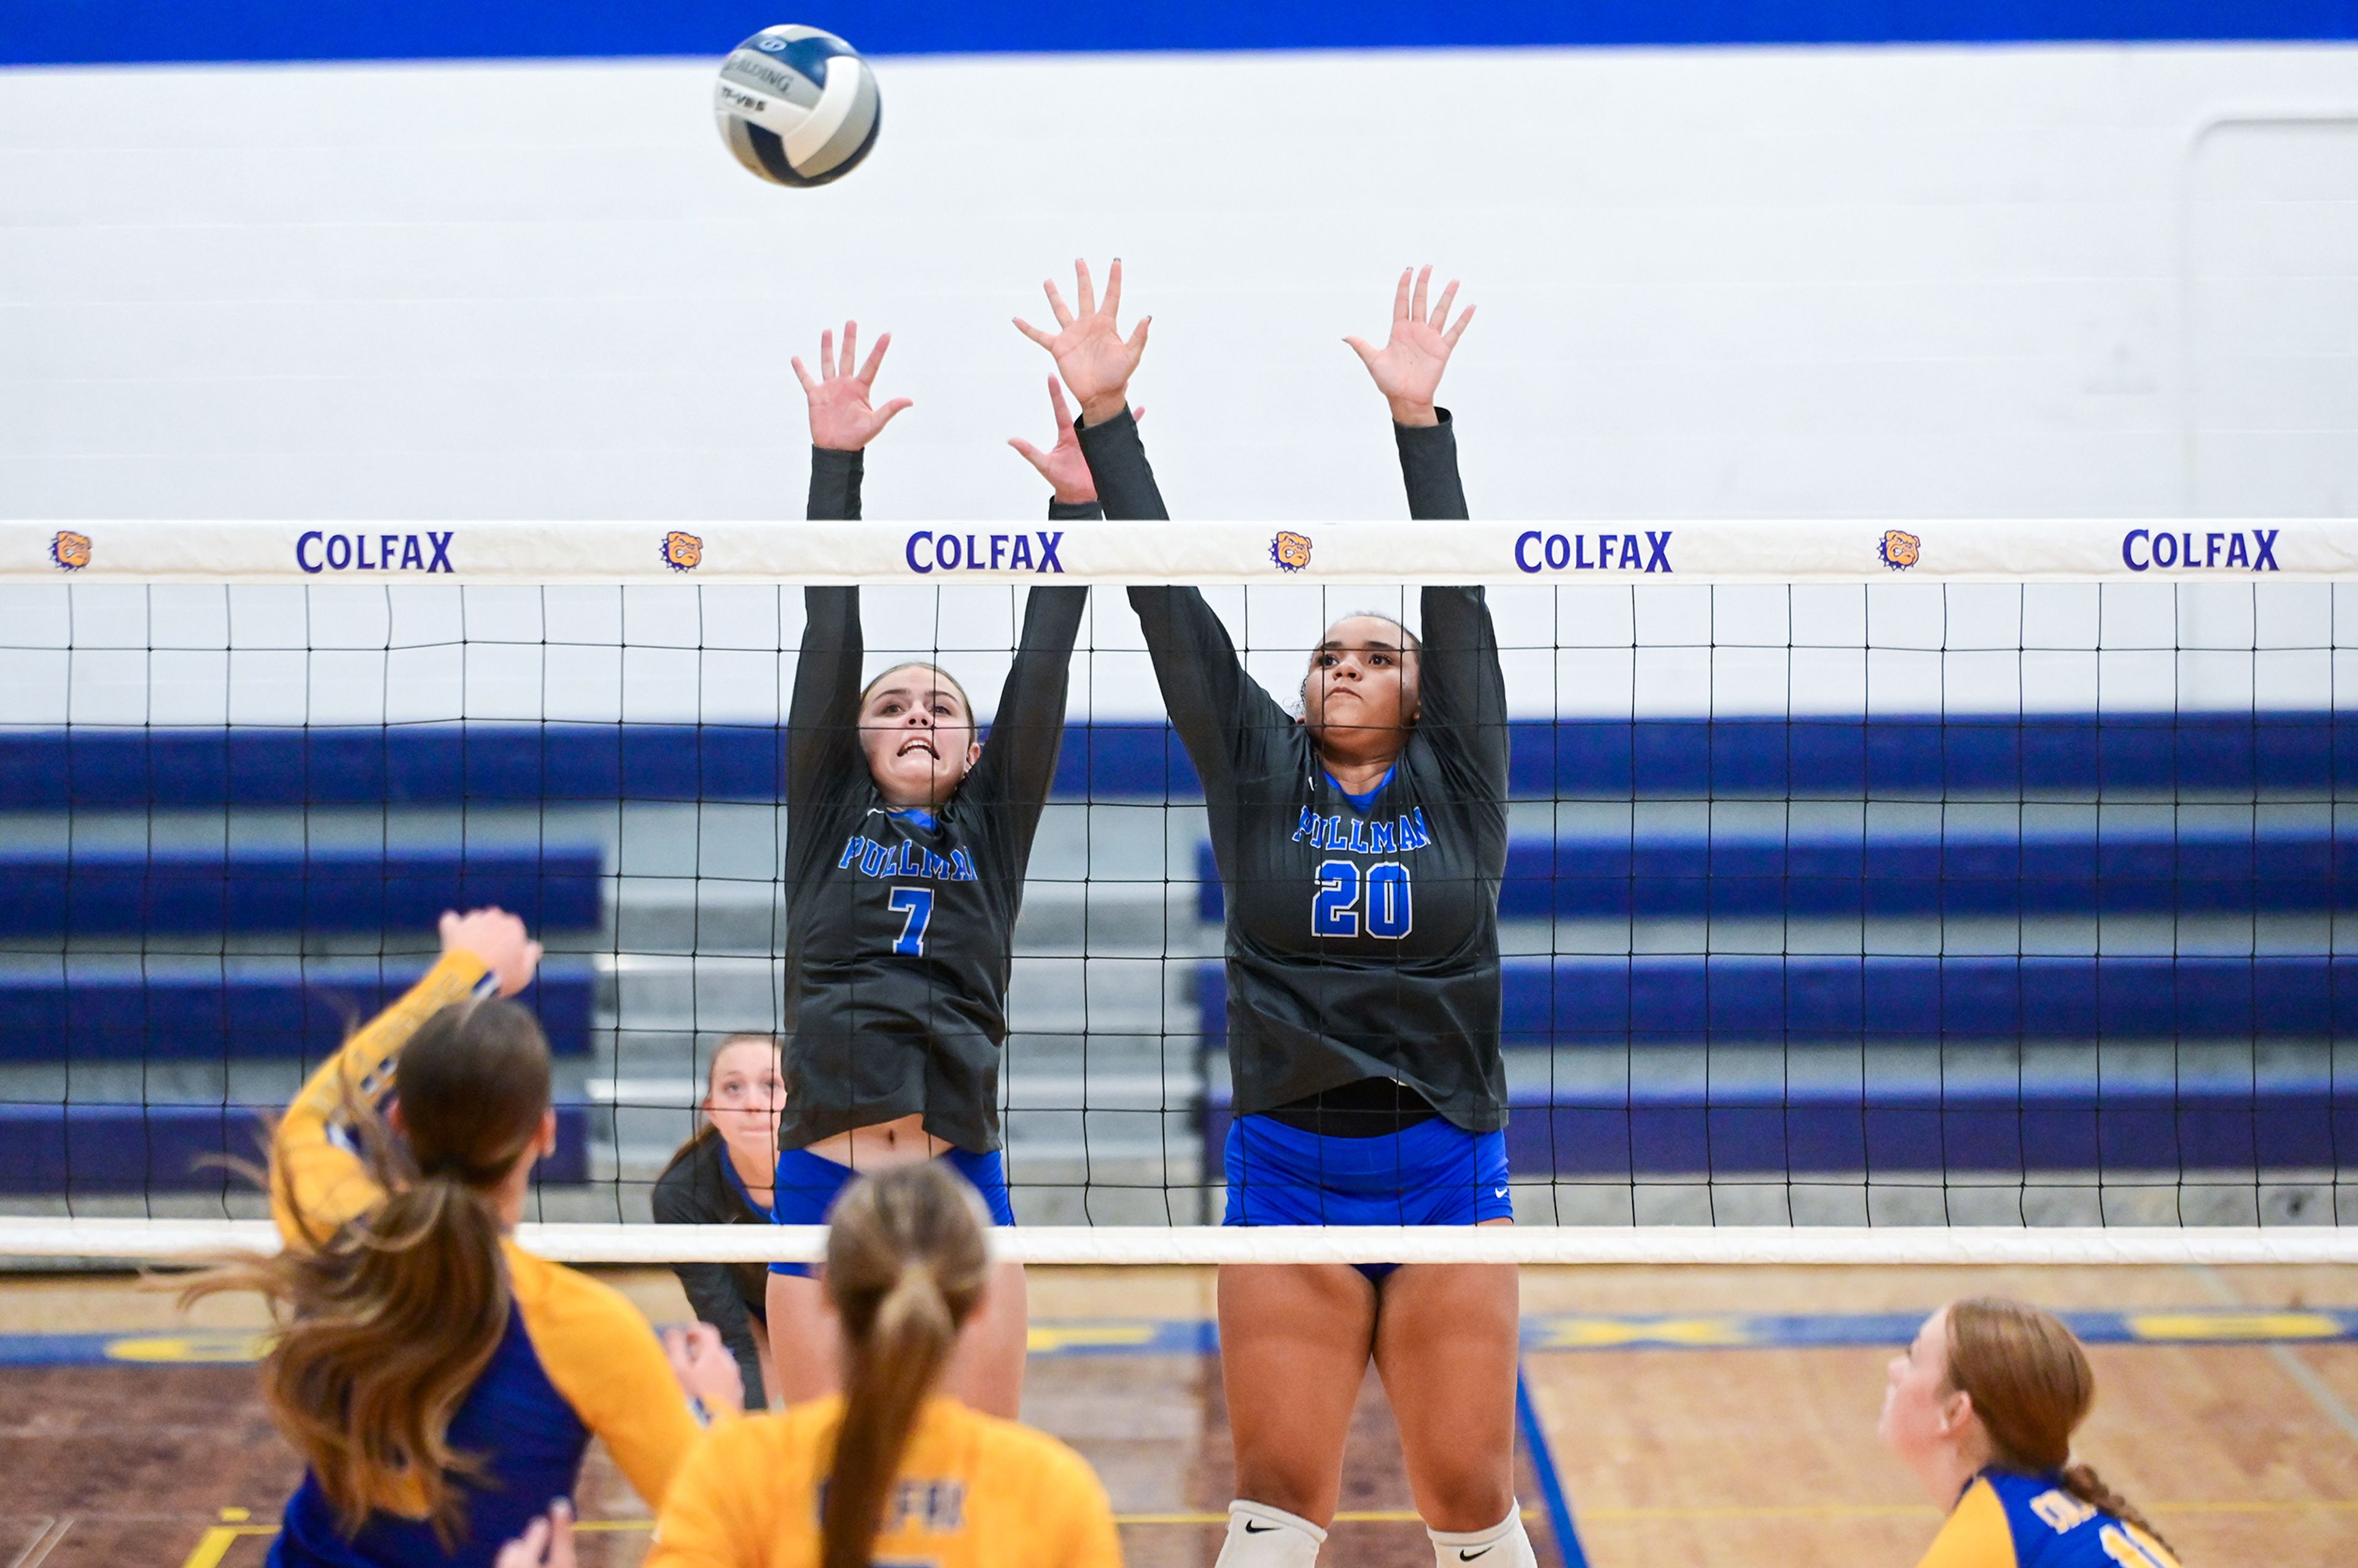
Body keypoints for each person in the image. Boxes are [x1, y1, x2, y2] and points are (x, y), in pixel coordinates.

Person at [1019, 261, 1523, 1568]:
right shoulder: (1258, 769)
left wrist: (1421, 428)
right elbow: (1171, 608)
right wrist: (1109, 421)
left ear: (1422, 695)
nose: (1347, 664)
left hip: (1447, 1171)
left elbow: (1458, 592)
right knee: (1278, 1496)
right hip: (1291, 1174)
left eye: (1378, 652)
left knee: (1467, 1491)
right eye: (1328, 654)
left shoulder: (1462, 778)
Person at [184, 907, 743, 1568]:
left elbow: (315, 1116)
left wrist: (467, 972)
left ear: (399, 1121)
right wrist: (716, 1410)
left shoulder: (339, 1233)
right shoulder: (587, 1328)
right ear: (544, 1132)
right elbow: (724, 1532)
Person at [769, 324, 1105, 1417]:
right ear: (856, 740)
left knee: (978, 1466)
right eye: (892, 704)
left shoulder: (990, 828)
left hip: (960, 1179)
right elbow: (832, 624)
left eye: (942, 706)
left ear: (971, 750)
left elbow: (1043, 667)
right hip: (825, 1183)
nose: (917, 713)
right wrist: (837, 467)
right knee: (822, 1472)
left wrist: (1078, 513)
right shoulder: (825, 812)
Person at [646, 1163, 1123, 1568]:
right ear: (981, 1300)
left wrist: (714, 1421)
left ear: (827, 1291)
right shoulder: (1051, 1489)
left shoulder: (740, 1469)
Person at [1881, 1297, 2181, 1568]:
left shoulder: (1992, 1529)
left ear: (1955, 1413)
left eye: (1913, 1357)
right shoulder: (2034, 1511)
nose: (1893, 1369)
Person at [653, 1032, 789, 1410]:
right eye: (733, 1088)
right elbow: (736, 1336)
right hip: (749, 1315)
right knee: (734, 1398)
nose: (752, 1104)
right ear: (711, 1110)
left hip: (825, 1304)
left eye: (771, 1086)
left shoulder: (836, 1170)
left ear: (799, 1102)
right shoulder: (681, 1196)